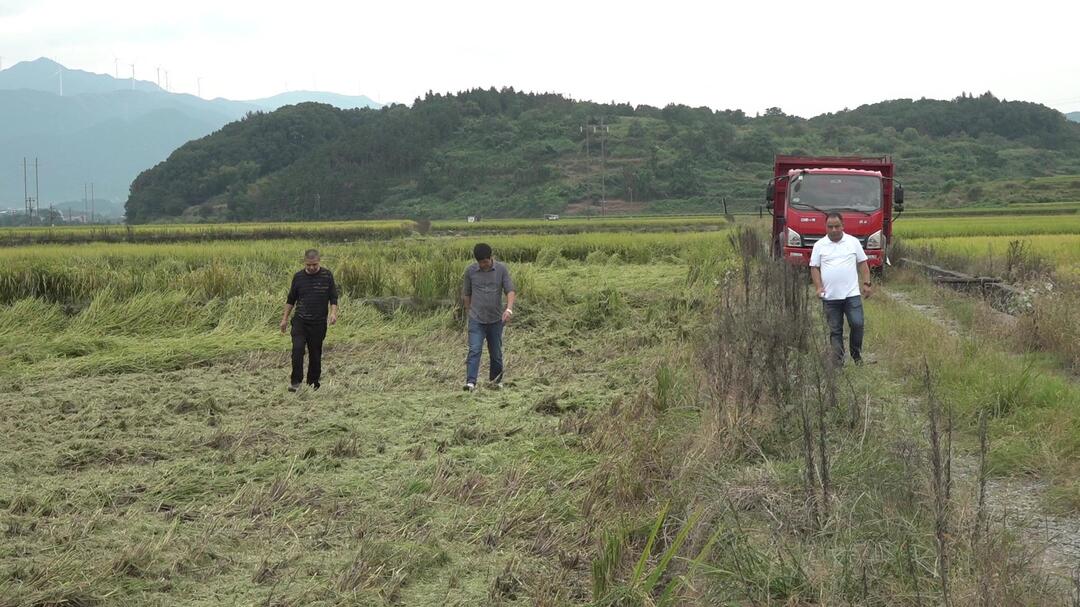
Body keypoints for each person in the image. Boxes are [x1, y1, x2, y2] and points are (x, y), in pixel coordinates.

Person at [809, 212, 872, 366]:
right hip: (830, 298)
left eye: (837, 226)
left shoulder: (853, 242)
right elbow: (814, 268)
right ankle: (838, 361)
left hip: (852, 295)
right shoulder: (819, 246)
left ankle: (856, 355)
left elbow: (863, 264)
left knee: (857, 324)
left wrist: (866, 283)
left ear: (843, 226)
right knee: (835, 330)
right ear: (826, 227)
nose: (834, 229)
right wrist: (818, 288)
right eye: (830, 227)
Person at [280, 249, 338, 391]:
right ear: (304, 263)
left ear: (319, 261)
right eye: (308, 265)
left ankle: (313, 384)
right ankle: (295, 383)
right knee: (297, 350)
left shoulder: (327, 276)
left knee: (315, 353)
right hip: (300, 321)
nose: (311, 268)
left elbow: (333, 298)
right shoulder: (298, 277)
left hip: (318, 323)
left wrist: (333, 313)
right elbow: (290, 300)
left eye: (314, 265)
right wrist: (284, 319)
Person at [462, 243, 516, 391]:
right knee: (474, 350)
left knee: (496, 353)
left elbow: (510, 290)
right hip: (476, 319)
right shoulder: (470, 271)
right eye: (480, 262)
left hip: (496, 320)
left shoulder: (501, 270)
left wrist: (509, 309)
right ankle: (471, 382)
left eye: (485, 262)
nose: (483, 265)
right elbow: (467, 293)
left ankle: (496, 381)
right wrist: (469, 312)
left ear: (491, 258)